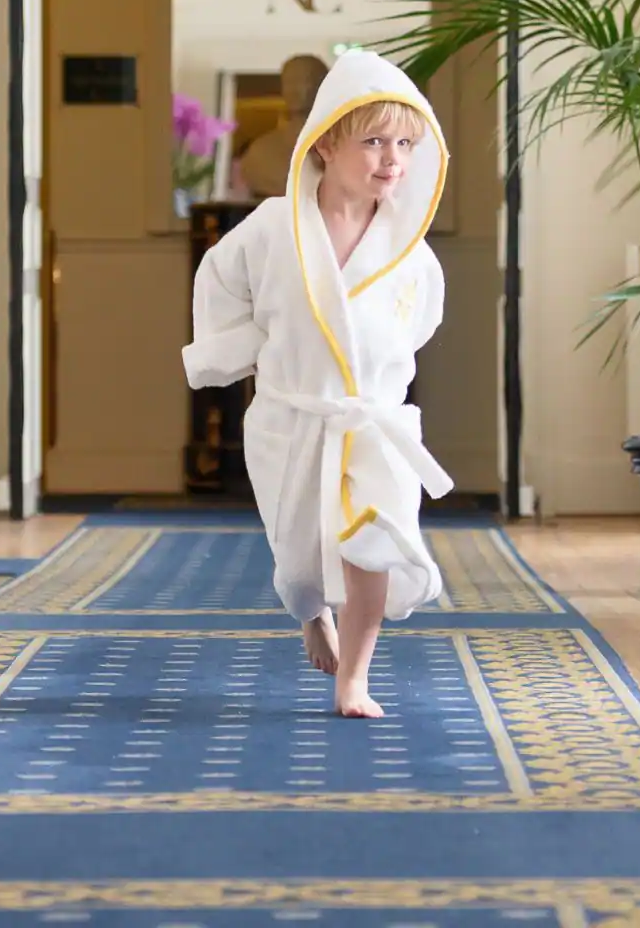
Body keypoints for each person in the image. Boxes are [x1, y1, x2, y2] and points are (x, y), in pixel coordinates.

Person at [182, 50, 451, 718]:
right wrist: (244, 350)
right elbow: (219, 282)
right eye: (374, 141)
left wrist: (374, 373)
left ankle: (354, 678)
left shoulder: (410, 252)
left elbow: (416, 325)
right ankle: (308, 613)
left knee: (374, 545)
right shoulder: (274, 228)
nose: (392, 158)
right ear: (327, 142)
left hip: (372, 423)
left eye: (405, 144)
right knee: (301, 560)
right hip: (291, 418)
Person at [232, 54, 331, 201]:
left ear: (323, 85)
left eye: (306, 81)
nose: (296, 89)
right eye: (290, 82)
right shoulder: (260, 151)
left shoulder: (345, 149)